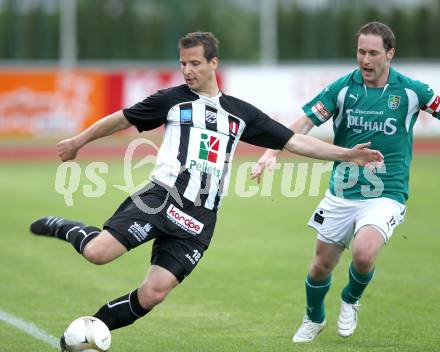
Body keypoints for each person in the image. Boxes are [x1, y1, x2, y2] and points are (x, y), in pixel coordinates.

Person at [29, 32, 382, 350]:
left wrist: (347, 154)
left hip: (200, 219)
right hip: (161, 197)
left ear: (214, 63)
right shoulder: (170, 100)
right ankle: (61, 225)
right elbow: (122, 117)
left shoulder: (240, 114)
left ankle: (92, 333)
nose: (187, 70)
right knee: (98, 254)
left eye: (195, 63)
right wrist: (78, 141)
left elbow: (296, 141)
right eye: (183, 63)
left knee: (154, 293)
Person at [252, 21, 440, 343]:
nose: (365, 60)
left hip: (387, 193)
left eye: (373, 53)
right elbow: (304, 122)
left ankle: (351, 299)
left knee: (364, 254)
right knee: (319, 268)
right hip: (341, 193)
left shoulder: (412, 91)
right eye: (360, 52)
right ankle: (313, 318)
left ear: (389, 54)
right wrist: (272, 152)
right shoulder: (342, 88)